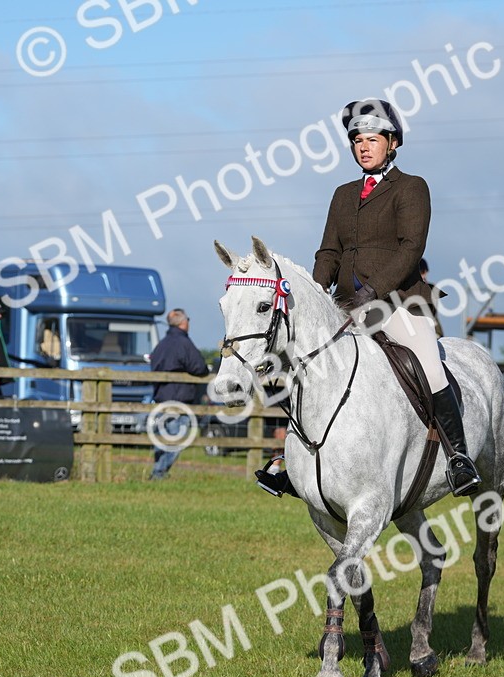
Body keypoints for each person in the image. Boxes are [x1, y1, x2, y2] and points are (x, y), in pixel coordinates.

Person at [256, 97, 481, 499]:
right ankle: (293, 462)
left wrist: (373, 292)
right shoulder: (343, 194)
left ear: (392, 142)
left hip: (398, 302)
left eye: (372, 138)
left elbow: (411, 249)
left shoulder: (412, 188)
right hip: (346, 304)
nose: (363, 145)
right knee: (305, 364)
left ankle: (459, 458)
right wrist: (312, 292)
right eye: (357, 139)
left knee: (428, 361)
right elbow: (329, 252)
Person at [148, 308, 210, 480]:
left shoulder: (162, 344)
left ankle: (158, 471)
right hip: (179, 398)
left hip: (161, 397)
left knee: (163, 439)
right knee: (178, 439)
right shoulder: (183, 343)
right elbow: (198, 367)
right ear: (183, 322)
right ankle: (159, 473)